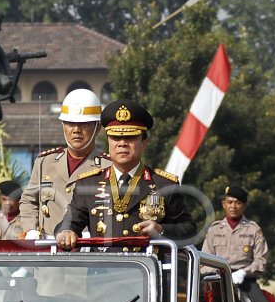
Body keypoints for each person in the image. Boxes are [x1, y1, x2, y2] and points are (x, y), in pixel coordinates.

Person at [55, 100, 196, 248]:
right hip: (103, 269)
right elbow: (70, 221)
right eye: (115, 137)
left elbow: (189, 230)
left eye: (130, 137)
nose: (122, 143)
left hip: (147, 269)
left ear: (144, 143)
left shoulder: (164, 184)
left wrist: (160, 230)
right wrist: (66, 231)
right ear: (108, 141)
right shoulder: (89, 183)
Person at [201, 183, 275, 302]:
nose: (233, 206)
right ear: (223, 204)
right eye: (230, 202)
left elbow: (261, 260)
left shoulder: (253, 229)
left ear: (244, 206)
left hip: (245, 281)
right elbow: (203, 261)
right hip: (218, 280)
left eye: (237, 203)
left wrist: (244, 272)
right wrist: (217, 272)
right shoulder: (214, 229)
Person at [19, 88, 111, 239]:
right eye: (70, 123)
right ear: (63, 125)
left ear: (97, 127)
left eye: (84, 124)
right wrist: (30, 230)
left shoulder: (108, 167)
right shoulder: (44, 162)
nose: (76, 130)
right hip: (50, 250)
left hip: (89, 251)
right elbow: (28, 200)